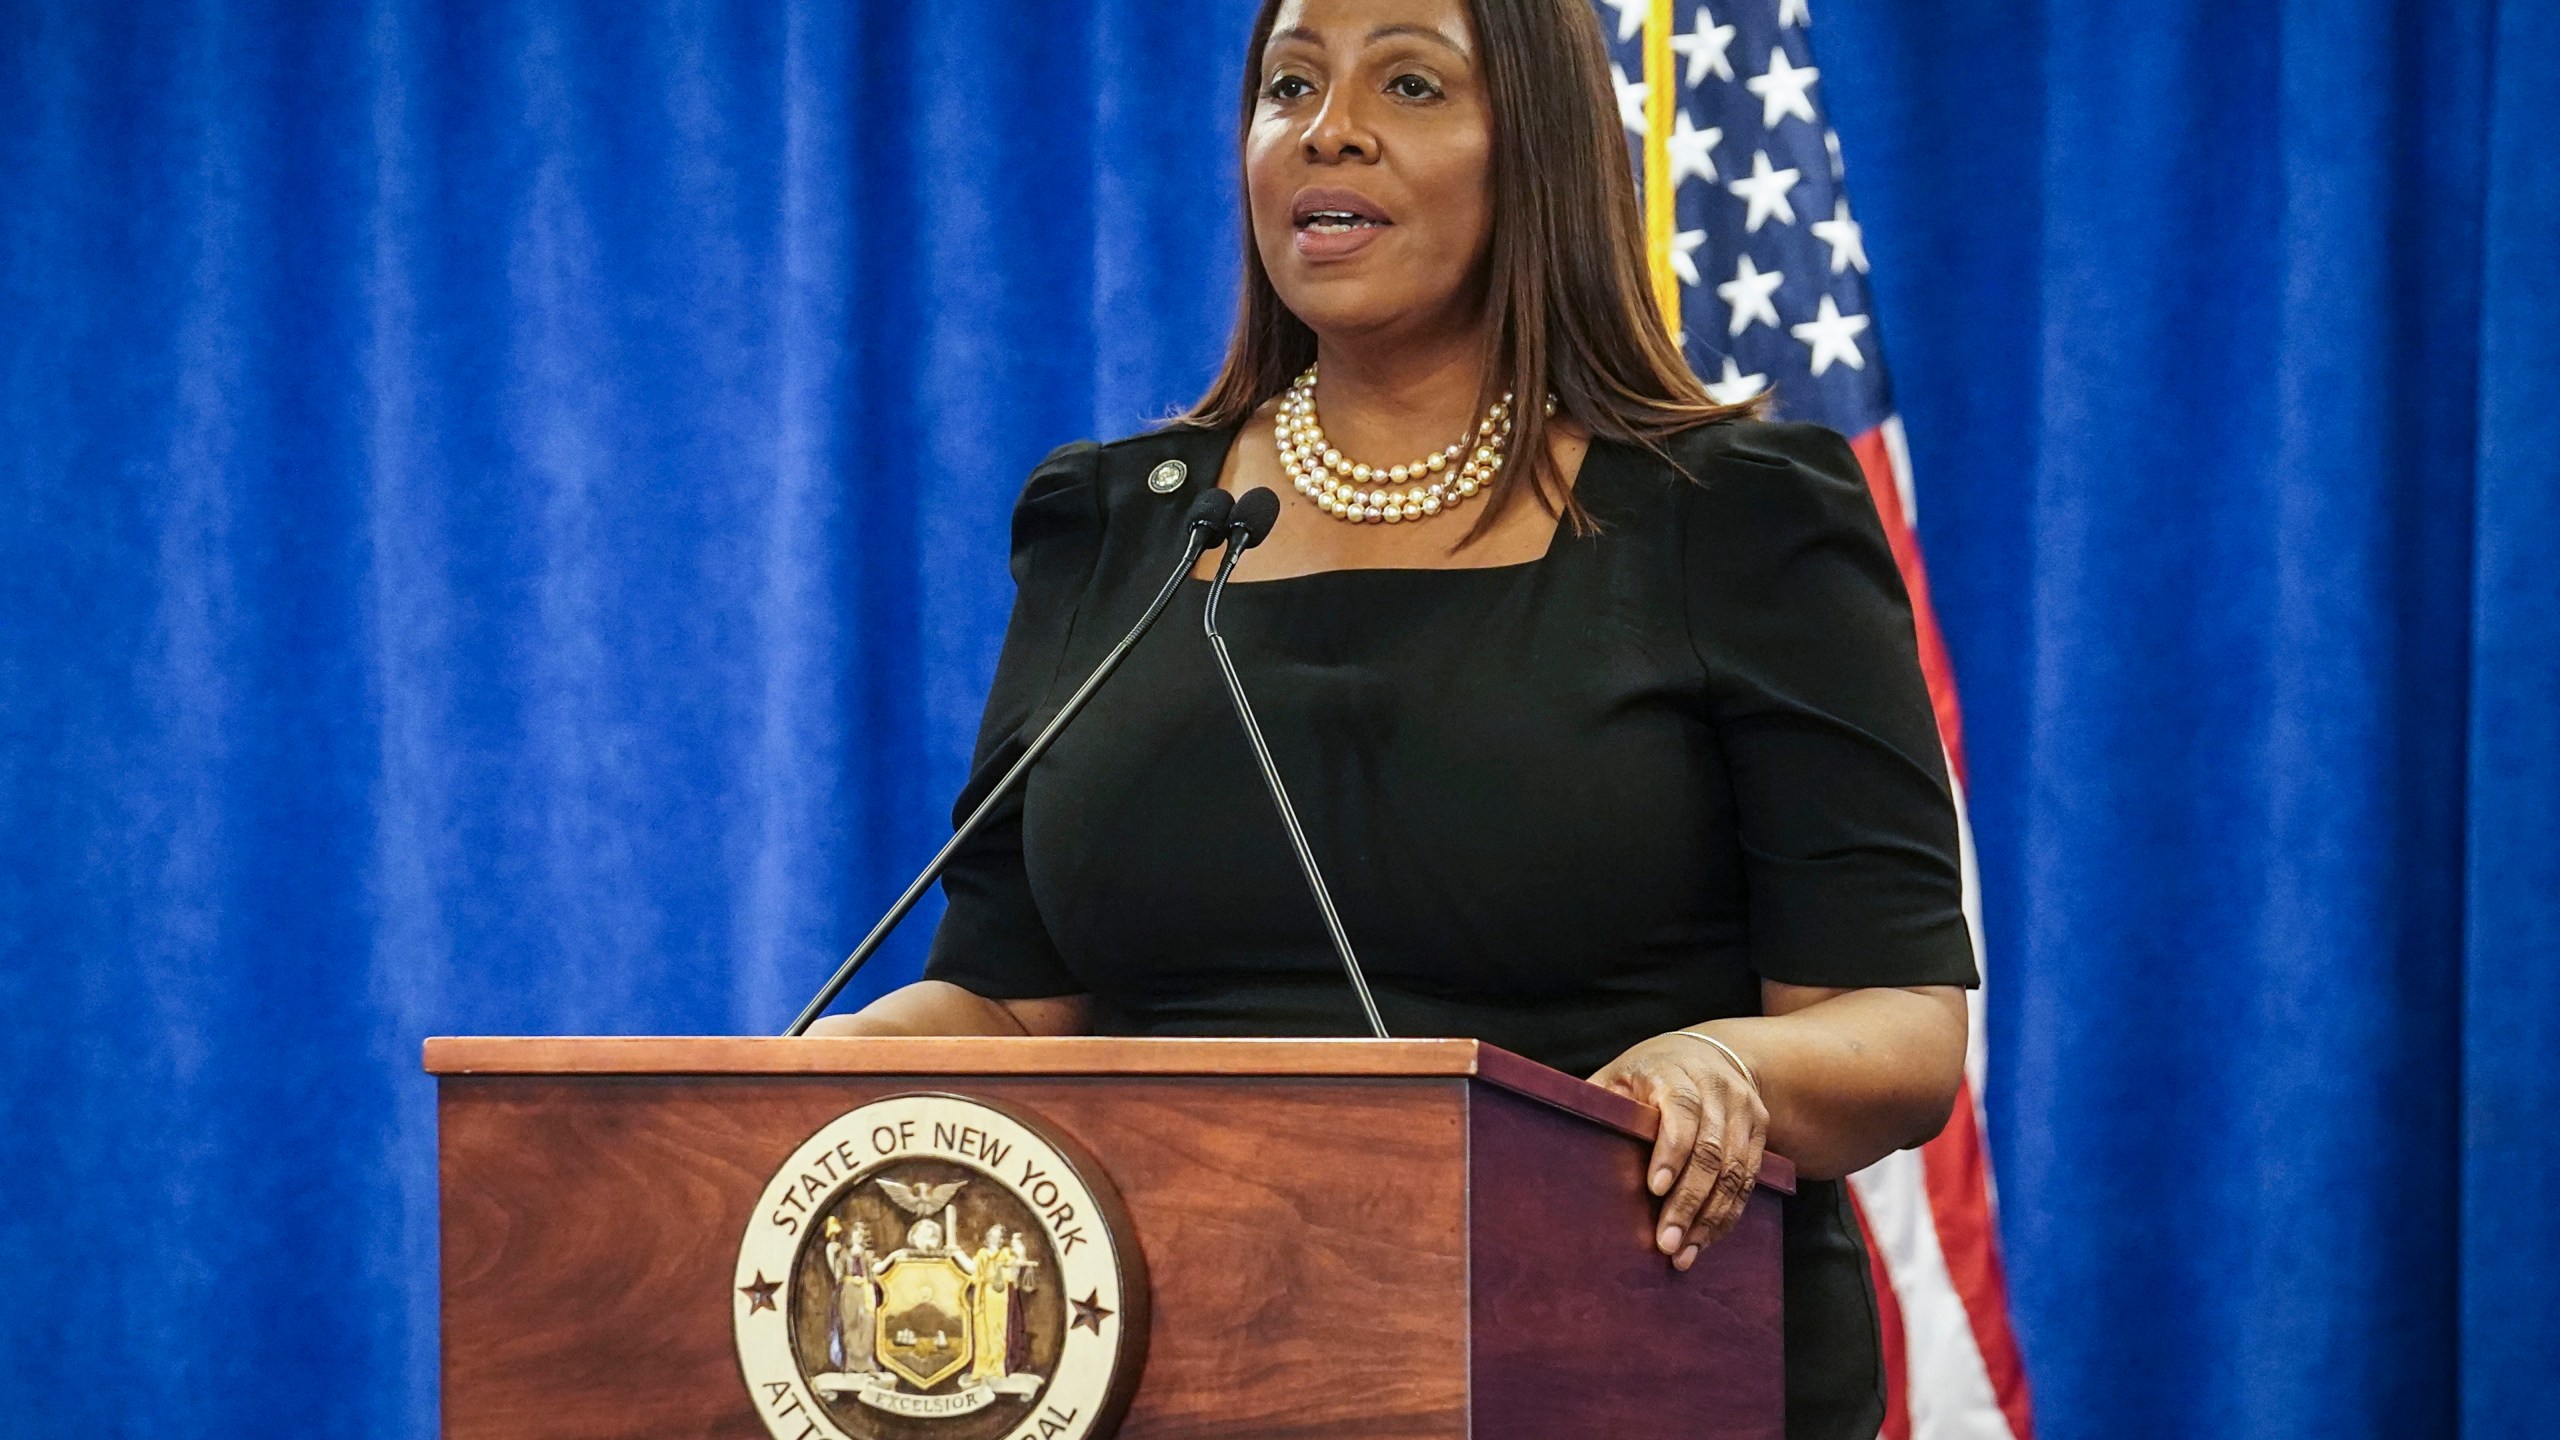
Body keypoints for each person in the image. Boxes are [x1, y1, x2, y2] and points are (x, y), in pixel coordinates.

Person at [808, 1, 1973, 1434]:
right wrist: (805, 1093)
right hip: (1180, 1365)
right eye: (1288, 84)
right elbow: (1007, 997)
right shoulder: (1122, 524)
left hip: (1615, 1350)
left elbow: (1899, 1027)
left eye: (1408, 82)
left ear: (1535, 150)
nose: (1328, 125)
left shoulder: (1730, 516)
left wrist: (1723, 1066)